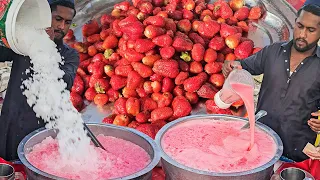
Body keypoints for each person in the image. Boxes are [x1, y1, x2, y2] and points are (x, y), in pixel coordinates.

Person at [222, 4, 320, 162]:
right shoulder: (273, 51)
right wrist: (231, 65)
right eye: (300, 26)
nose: (302, 34)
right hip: (262, 145)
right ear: (295, 23)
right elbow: (244, 66)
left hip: (296, 152)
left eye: (311, 30)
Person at [0, 0, 79, 161]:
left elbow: (66, 81)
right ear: (43, 16)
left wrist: (45, 48)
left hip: (43, 131)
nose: (62, 27)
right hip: (11, 121)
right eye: (58, 19)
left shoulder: (70, 55)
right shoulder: (23, 45)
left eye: (67, 22)